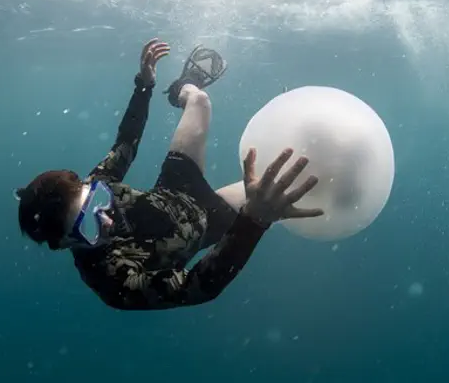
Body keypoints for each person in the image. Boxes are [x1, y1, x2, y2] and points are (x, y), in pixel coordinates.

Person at [16, 38, 324, 310]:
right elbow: (196, 287)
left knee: (199, 101)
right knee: (277, 189)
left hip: (178, 186)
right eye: (89, 228)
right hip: (213, 224)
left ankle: (182, 86)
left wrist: (144, 85)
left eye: (97, 203)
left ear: (88, 186)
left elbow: (126, 143)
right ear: (66, 244)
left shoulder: (99, 181)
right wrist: (253, 222)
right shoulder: (112, 281)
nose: (106, 219)